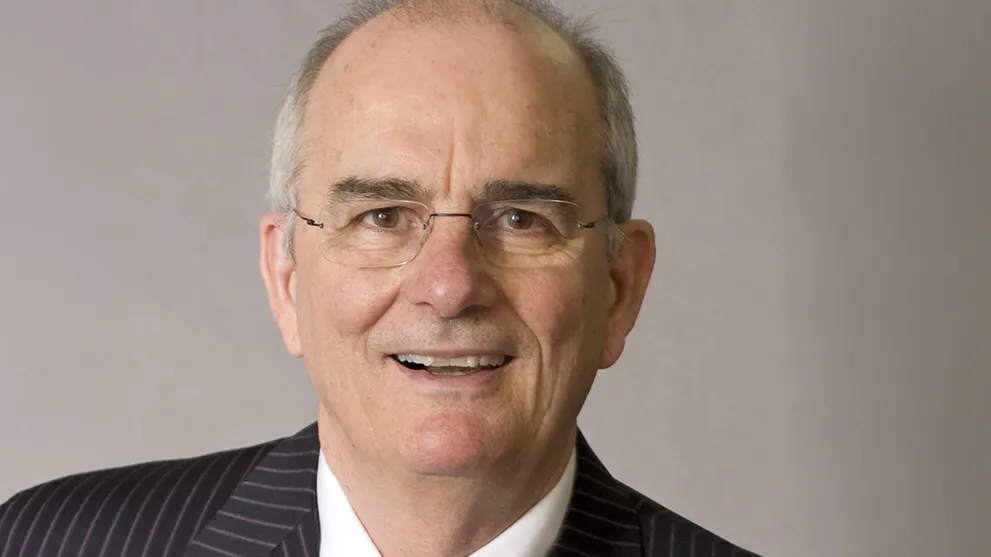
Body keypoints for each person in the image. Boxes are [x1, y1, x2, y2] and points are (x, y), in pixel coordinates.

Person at [0, 1, 762, 555]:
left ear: (619, 288)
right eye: (382, 216)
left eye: (522, 218)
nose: (449, 285)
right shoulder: (50, 542)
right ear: (285, 275)